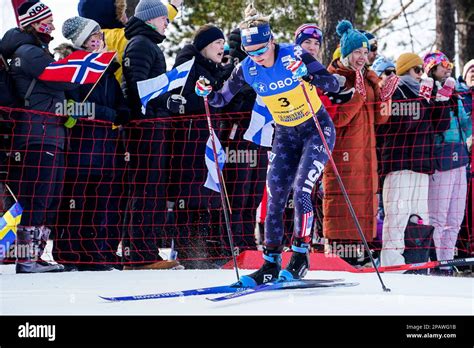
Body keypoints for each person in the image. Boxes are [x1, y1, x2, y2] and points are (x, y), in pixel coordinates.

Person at [195, 4, 341, 285]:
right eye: (252, 52)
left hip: (316, 129)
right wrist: (206, 91)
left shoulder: (294, 55)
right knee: (274, 195)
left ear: (272, 41)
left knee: (302, 189)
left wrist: (307, 75)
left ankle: (299, 256)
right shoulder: (246, 68)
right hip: (286, 135)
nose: (258, 58)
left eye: (262, 50)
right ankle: (271, 262)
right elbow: (221, 100)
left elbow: (333, 84)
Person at [0, 0, 82, 273]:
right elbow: (65, 79)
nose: (52, 26)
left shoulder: (37, 50)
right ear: (33, 24)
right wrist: (91, 63)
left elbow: (51, 94)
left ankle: (34, 255)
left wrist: (73, 111)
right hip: (38, 134)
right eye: (47, 21)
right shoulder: (29, 51)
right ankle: (26, 259)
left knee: (50, 196)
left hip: (51, 132)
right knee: (39, 196)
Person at [53, 16, 131, 271]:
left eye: (99, 35)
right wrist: (106, 113)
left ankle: (95, 251)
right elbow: (68, 105)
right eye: (91, 37)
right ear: (81, 43)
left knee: (101, 201)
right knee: (76, 200)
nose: (98, 40)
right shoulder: (73, 69)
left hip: (106, 146)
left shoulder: (108, 71)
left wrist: (121, 113)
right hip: (81, 147)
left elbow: (119, 106)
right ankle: (69, 252)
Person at [322, 20, 397, 258]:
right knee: (342, 204)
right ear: (346, 53)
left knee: (363, 204)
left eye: (365, 52)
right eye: (356, 52)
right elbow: (335, 120)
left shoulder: (367, 77)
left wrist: (384, 98)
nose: (362, 57)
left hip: (365, 155)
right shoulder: (335, 78)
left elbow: (380, 120)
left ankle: (360, 253)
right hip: (343, 155)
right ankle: (340, 253)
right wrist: (356, 99)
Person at [166, 24, 234, 267]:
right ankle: (190, 253)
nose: (221, 47)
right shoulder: (188, 66)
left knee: (210, 196)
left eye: (222, 43)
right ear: (204, 46)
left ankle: (207, 251)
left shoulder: (214, 69)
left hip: (210, 140)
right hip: (190, 141)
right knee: (191, 196)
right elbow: (180, 101)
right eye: (217, 43)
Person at [121, 0, 181, 270]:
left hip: (152, 124)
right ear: (150, 19)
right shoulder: (141, 44)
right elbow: (136, 89)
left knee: (151, 188)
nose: (167, 22)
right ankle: (140, 254)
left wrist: (167, 103)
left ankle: (145, 251)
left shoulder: (149, 43)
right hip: (144, 128)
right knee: (145, 188)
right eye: (163, 18)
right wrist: (158, 108)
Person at [379, 53, 451, 266]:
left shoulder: (424, 92)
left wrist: (441, 103)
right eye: (417, 70)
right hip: (400, 162)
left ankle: (417, 259)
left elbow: (440, 127)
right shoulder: (396, 89)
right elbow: (404, 124)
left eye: (423, 70)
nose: (421, 75)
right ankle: (392, 263)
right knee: (397, 215)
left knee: (419, 217)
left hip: (422, 164)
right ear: (405, 70)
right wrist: (423, 100)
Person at [424, 51, 472, 275]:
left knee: (455, 216)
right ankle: (436, 262)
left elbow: (465, 124)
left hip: (460, 157)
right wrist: (441, 97)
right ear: (432, 68)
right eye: (443, 64)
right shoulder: (428, 90)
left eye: (449, 63)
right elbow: (433, 123)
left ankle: (447, 261)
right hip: (440, 157)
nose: (448, 68)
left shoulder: (456, 93)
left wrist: (459, 105)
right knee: (438, 216)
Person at [78, 0, 183, 83]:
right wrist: (173, 6)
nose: (124, 14)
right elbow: (147, 24)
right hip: (123, 101)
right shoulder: (121, 36)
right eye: (121, 10)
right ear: (111, 12)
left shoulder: (84, 42)